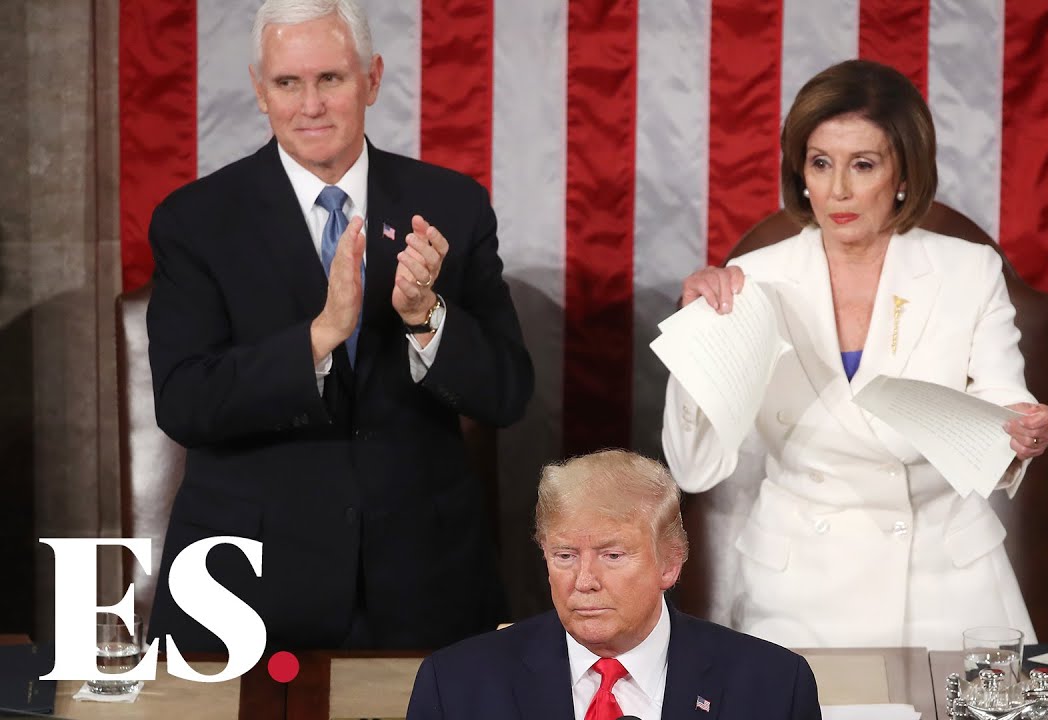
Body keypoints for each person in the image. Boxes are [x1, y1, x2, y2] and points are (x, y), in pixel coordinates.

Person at [145, 0, 532, 651]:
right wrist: (319, 336)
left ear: (372, 80)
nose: (310, 105)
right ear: (259, 92)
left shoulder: (451, 206)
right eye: (287, 83)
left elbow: (508, 393)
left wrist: (425, 318)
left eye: (331, 79)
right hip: (249, 585)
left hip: (426, 581)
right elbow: (185, 403)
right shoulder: (195, 221)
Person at [661, 59, 1048, 651]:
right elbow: (693, 468)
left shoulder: (967, 270)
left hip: (948, 588)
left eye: (863, 165)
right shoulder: (750, 282)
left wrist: (1021, 432)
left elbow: (1003, 403)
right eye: (821, 164)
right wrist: (698, 339)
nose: (838, 190)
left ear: (903, 173)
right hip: (795, 594)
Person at [405, 450, 821, 720]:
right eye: (565, 556)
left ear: (670, 563)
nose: (584, 582)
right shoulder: (457, 686)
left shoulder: (773, 688)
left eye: (612, 556)